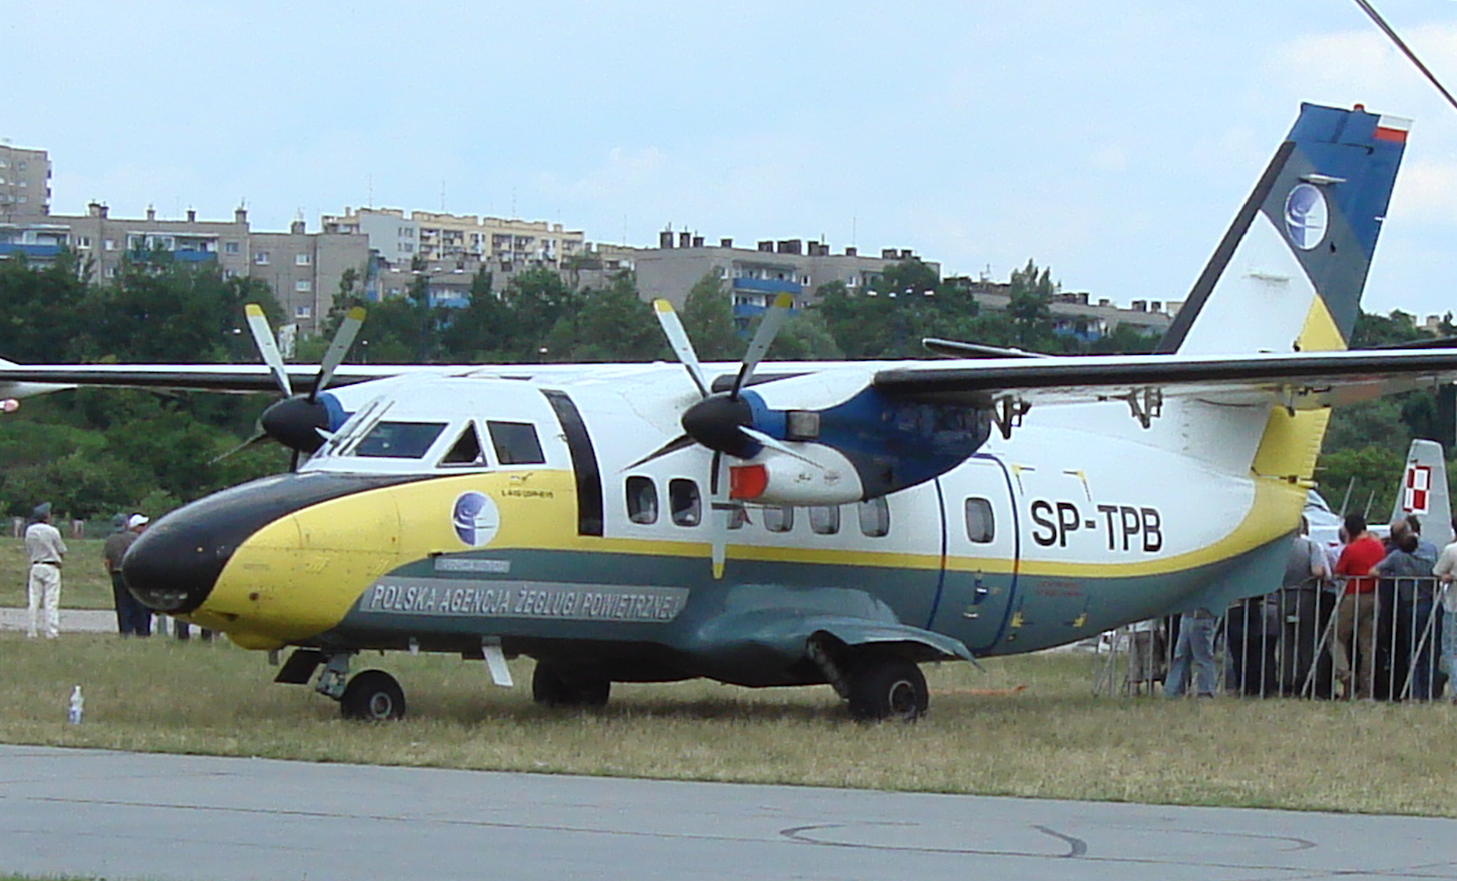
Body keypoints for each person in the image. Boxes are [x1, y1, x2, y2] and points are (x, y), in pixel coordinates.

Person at [1371, 529, 1438, 699]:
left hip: (1411, 604)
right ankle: (1429, 691)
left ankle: (1415, 692)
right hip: (1430, 603)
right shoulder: (1429, 560)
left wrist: (1390, 576)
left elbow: (1373, 571)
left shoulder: (1397, 557)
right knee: (1429, 650)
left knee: (1413, 650)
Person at [1331, 513, 1384, 699]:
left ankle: (1345, 675)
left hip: (1354, 595)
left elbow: (1338, 573)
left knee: (1335, 637)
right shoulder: (1378, 547)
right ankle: (1366, 689)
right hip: (1374, 596)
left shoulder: (1351, 549)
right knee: (1367, 644)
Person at [24, 502, 67, 639]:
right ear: (46, 516)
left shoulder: (29, 530)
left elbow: (28, 549)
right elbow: (61, 549)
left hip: (36, 565)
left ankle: (31, 631)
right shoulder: (52, 531)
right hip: (51, 566)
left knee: (34, 600)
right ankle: (52, 632)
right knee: (51, 601)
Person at [103, 513, 151, 637]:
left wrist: (111, 573)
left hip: (117, 573)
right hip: (133, 574)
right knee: (139, 603)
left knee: (122, 605)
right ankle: (142, 631)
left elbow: (107, 561)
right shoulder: (134, 537)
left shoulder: (110, 539)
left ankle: (125, 631)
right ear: (126, 524)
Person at [1164, 607, 1217, 698]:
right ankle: (1173, 690)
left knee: (1201, 657)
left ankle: (1206, 691)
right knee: (1181, 656)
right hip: (1188, 616)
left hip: (1201, 617)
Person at [1435, 517, 1457, 703]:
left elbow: (1437, 571)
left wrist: (1449, 576)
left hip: (1453, 606)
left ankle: (1456, 688)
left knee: (1449, 649)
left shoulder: (1451, 550)